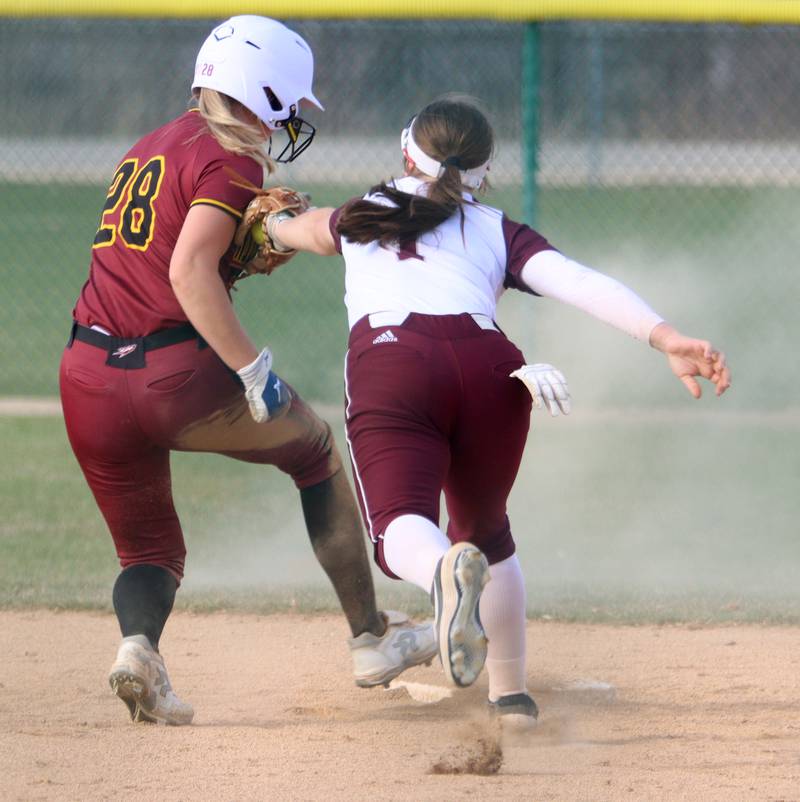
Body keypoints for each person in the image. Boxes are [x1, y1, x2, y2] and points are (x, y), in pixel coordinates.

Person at [259, 96, 732, 727]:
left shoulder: (364, 211)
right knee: (487, 533)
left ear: (406, 150)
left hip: (394, 362)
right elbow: (578, 281)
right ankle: (511, 699)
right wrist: (665, 335)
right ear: (483, 170)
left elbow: (297, 228)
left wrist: (267, 225)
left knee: (400, 527)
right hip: (494, 368)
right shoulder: (496, 227)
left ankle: (443, 575)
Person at [58, 16, 436, 727]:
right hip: (172, 374)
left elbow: (157, 260)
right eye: (286, 101)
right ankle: (371, 638)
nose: (288, 116)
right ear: (258, 90)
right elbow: (188, 269)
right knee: (317, 454)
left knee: (149, 549)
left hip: (86, 377)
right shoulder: (232, 159)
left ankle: (138, 651)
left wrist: (232, 255)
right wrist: (251, 367)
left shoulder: (149, 146)